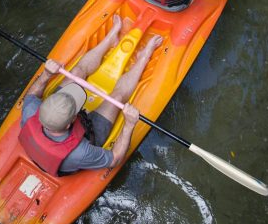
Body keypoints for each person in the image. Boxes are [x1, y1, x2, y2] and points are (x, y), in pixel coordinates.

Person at [18, 15, 163, 176]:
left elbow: (31, 95)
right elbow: (115, 159)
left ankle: (110, 39)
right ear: (71, 122)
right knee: (116, 98)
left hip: (60, 127)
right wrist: (129, 124)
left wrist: (46, 74)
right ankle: (143, 57)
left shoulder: (31, 110)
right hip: (90, 131)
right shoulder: (82, 152)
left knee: (77, 72)